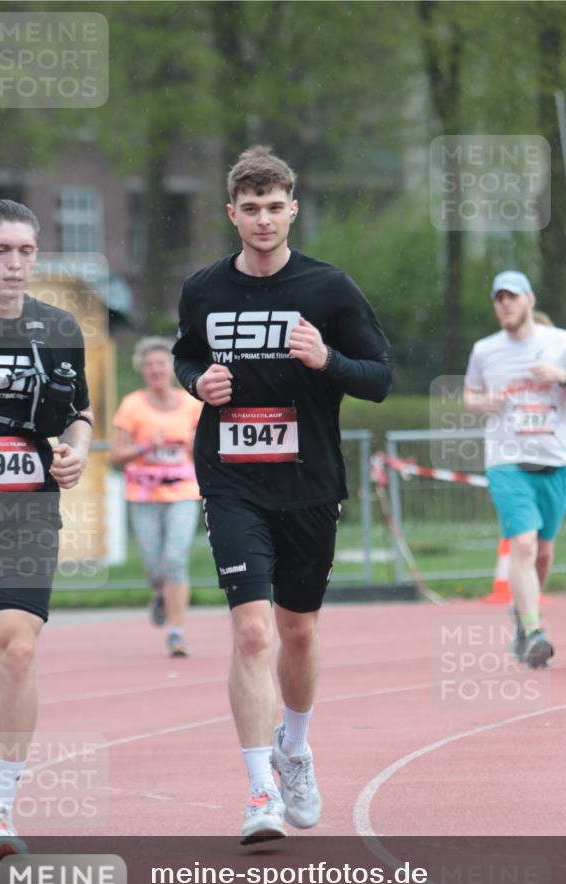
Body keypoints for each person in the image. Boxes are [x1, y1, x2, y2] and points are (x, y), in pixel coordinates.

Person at [173, 146, 391, 843]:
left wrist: (327, 359)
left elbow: (380, 376)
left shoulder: (328, 289)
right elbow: (185, 351)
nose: (263, 219)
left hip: (308, 483)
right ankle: (258, 791)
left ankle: (293, 747)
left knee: (297, 629)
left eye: (274, 207)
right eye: (250, 208)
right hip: (231, 481)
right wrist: (194, 382)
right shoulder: (203, 289)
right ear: (231, 214)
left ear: (291, 209)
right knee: (251, 629)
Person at [0, 199, 93, 860]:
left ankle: (1, 813)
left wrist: (77, 448)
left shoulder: (58, 328)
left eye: (26, 251)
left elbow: (79, 415)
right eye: (2, 251)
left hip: (25, 503)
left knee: (16, 647)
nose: (15, 264)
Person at [463, 270, 566, 667]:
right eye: (498, 298)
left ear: (529, 300)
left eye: (511, 296)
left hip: (556, 460)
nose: (504, 304)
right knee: (522, 544)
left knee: (542, 551)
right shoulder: (486, 350)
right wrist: (484, 402)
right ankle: (535, 630)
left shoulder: (561, 343)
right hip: (508, 461)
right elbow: (470, 394)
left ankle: (524, 614)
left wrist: (563, 377)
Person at [111, 337, 202, 657]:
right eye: (149, 365)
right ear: (142, 370)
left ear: (172, 369)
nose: (156, 370)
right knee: (154, 565)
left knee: (175, 559)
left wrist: (187, 442)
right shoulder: (132, 405)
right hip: (144, 494)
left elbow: (206, 451)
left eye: (161, 364)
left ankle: (176, 633)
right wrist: (145, 446)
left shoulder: (192, 405)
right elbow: (117, 455)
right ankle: (161, 593)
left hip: (183, 492)